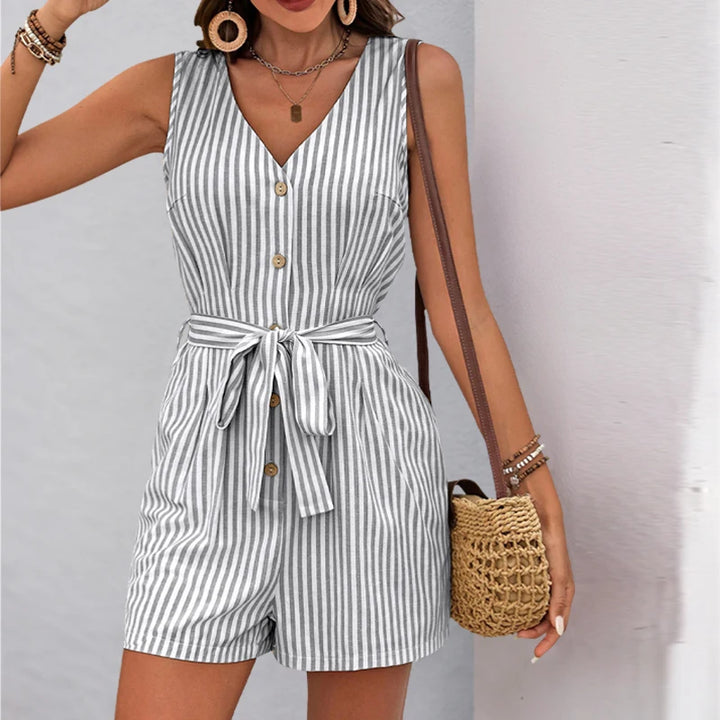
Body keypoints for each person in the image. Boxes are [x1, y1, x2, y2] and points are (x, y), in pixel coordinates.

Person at [1, 0, 575, 718]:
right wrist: (52, 18)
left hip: (367, 475)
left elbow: (463, 309)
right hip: (207, 480)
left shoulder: (417, 79)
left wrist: (531, 481)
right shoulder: (168, 89)